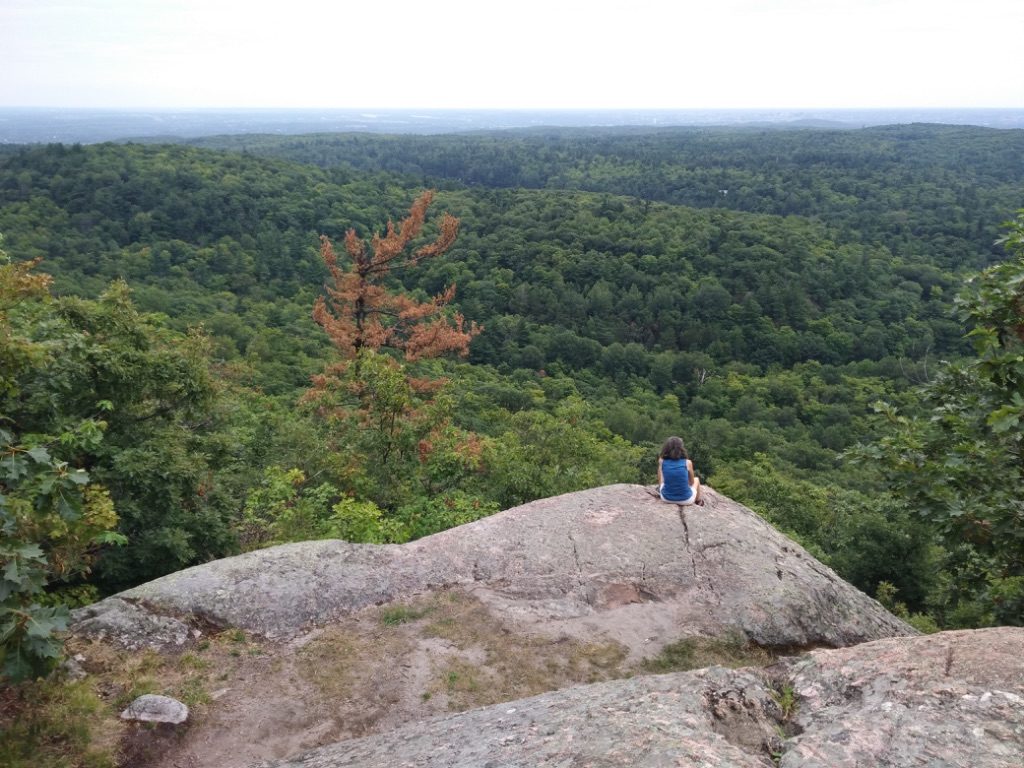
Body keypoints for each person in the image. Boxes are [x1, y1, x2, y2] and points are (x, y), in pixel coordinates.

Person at [657, 436, 703, 505]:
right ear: (681, 449)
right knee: (696, 479)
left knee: (662, 470)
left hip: (666, 498)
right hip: (687, 500)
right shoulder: (687, 462)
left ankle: (660, 488)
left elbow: (661, 478)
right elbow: (691, 483)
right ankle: (698, 501)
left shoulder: (662, 461)